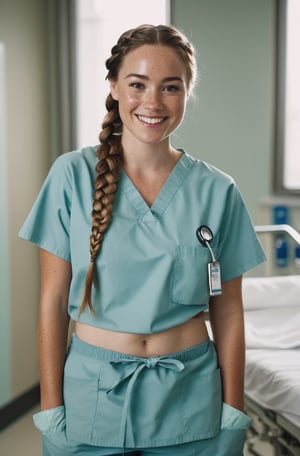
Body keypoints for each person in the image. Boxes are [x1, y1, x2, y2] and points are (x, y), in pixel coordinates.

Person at [19, 24, 266, 456]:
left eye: (171, 87)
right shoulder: (70, 177)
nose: (153, 102)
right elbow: (53, 303)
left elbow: (229, 311)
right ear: (114, 87)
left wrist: (233, 407)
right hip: (92, 399)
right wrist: (50, 407)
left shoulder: (218, 190)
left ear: (187, 93)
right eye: (138, 84)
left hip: (191, 401)